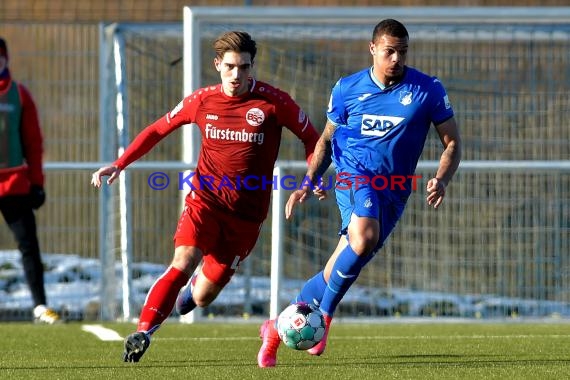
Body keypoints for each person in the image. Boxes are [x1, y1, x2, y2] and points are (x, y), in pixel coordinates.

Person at [91, 31, 320, 363]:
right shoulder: (201, 100)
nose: (237, 75)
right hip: (205, 201)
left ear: (252, 66)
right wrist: (120, 163)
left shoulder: (274, 102)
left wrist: (311, 177)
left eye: (244, 67)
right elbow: (158, 129)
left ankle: (193, 290)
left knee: (203, 296)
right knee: (182, 260)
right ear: (217, 65)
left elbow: (312, 138)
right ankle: (143, 332)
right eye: (230, 66)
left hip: (247, 215)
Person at [257, 18, 462, 367]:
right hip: (354, 176)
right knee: (365, 237)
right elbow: (325, 139)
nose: (397, 58)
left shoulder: (428, 90)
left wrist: (442, 178)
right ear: (373, 49)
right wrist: (309, 181)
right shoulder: (347, 88)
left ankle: (274, 329)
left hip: (394, 191)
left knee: (340, 266)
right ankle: (323, 318)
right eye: (390, 51)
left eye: (403, 52)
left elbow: (453, 143)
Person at [0, 37, 60, 324]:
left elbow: (33, 143)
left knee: (28, 247)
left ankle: (40, 306)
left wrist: (37, 183)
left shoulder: (19, 95)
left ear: (6, 59)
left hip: (14, 185)